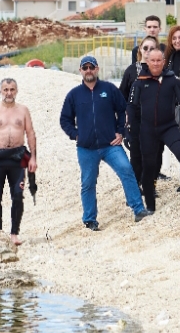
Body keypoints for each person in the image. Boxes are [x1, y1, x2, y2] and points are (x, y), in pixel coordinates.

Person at [59, 56, 151, 229]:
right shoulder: (74, 95)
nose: (88, 70)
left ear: (97, 69)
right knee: (88, 183)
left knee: (126, 170)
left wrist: (121, 131)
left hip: (110, 145)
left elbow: (123, 110)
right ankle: (90, 219)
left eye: (91, 67)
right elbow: (65, 119)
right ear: (80, 71)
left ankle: (138, 209)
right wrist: (76, 135)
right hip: (86, 148)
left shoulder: (109, 89)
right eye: (85, 68)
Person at [128, 49, 180, 210]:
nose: (155, 63)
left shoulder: (172, 80)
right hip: (147, 130)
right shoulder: (140, 82)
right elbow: (131, 107)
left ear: (164, 62)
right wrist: (130, 130)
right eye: (152, 60)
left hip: (168, 127)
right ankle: (150, 206)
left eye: (158, 60)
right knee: (149, 166)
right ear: (147, 62)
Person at [0, 78, 37, 246]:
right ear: (0, 91)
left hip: (17, 158)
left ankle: (14, 234)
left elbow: (30, 133)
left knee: (17, 195)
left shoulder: (23, 110)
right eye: (6, 90)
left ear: (16, 91)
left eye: (12, 89)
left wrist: (33, 157)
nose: (9, 93)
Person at [120, 36, 161, 183]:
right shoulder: (131, 71)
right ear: (140, 50)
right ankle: (136, 187)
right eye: (145, 48)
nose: (148, 51)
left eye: (152, 48)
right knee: (136, 155)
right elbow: (121, 96)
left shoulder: (160, 71)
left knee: (154, 155)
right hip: (136, 119)